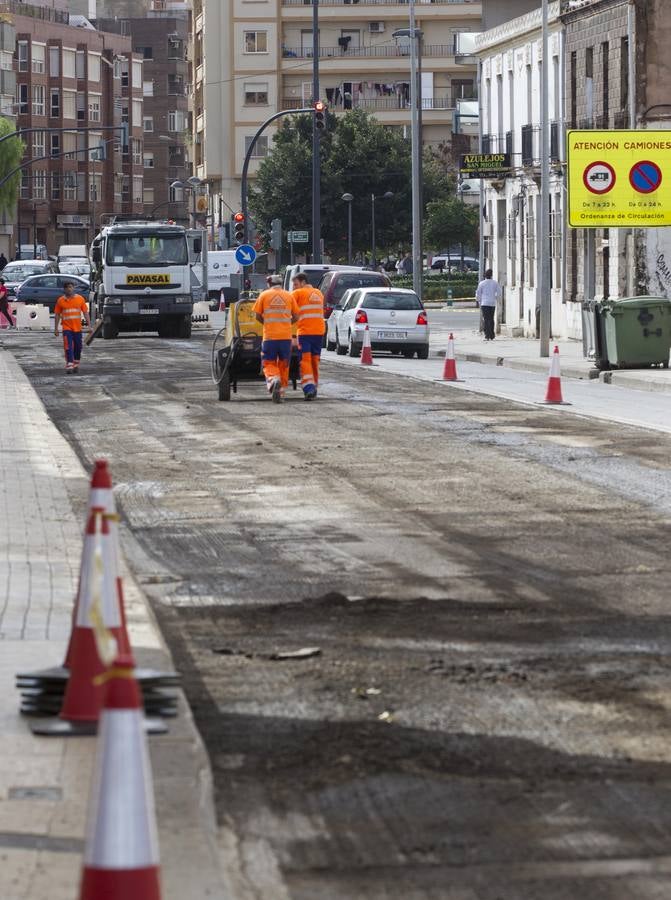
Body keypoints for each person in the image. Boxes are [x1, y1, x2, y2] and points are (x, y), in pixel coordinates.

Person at [253, 275, 298, 403]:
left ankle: (273, 379)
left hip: (270, 337)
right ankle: (281, 393)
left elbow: (257, 315)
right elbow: (296, 316)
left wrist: (267, 323)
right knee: (284, 365)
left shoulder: (264, 295)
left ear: (269, 284)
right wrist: (286, 324)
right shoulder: (289, 296)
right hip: (285, 337)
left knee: (268, 362)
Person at [291, 272, 325, 401]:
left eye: (295, 284)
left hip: (305, 333)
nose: (294, 287)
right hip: (319, 332)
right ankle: (314, 386)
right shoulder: (318, 293)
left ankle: (308, 387)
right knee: (314, 360)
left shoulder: (298, 293)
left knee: (305, 361)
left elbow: (285, 303)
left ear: (303, 282)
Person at [54, 280, 91, 374]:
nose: (69, 289)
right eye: (67, 287)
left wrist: (89, 326)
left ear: (73, 288)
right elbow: (57, 314)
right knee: (68, 346)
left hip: (77, 328)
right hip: (67, 328)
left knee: (78, 347)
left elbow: (85, 313)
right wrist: (56, 329)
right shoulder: (61, 301)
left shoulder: (80, 299)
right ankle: (69, 363)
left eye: (71, 287)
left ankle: (76, 362)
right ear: (64, 289)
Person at [476, 269, 501, 341]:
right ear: (491, 275)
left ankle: (487, 335)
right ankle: (492, 335)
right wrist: (494, 297)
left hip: (484, 303)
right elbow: (499, 292)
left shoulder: (481, 283)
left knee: (486, 319)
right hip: (492, 303)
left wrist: (479, 301)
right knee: (491, 318)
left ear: (485, 275)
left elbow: (478, 293)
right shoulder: (495, 283)